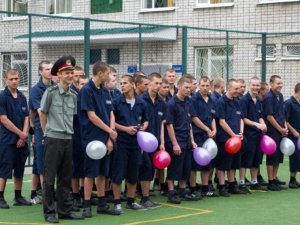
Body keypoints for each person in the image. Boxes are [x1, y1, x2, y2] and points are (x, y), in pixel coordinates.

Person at [40, 56, 84, 223]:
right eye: (66, 72)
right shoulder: (50, 92)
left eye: (71, 72)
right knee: (50, 178)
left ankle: (64, 210)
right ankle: (49, 212)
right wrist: (46, 133)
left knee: (66, 177)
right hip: (53, 138)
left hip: (68, 139)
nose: (70, 75)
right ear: (58, 75)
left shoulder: (73, 95)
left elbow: (71, 118)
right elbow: (42, 113)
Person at [79, 62, 120, 218]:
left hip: (106, 138)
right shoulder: (86, 91)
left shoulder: (105, 91)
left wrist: (110, 136)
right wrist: (110, 130)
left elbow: (111, 113)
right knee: (90, 173)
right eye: (108, 72)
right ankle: (87, 205)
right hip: (91, 139)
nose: (110, 76)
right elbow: (92, 116)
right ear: (100, 73)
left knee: (103, 172)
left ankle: (102, 204)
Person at [112, 74, 149, 213]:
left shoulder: (141, 103)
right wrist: (125, 129)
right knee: (118, 173)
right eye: (120, 83)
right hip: (121, 142)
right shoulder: (116, 102)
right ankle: (116, 203)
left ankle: (131, 201)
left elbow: (146, 120)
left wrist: (144, 126)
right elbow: (112, 123)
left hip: (136, 143)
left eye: (125, 83)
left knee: (133, 173)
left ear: (132, 84)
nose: (122, 85)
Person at [0, 69, 31, 209]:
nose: (14, 81)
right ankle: (0, 198)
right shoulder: (2, 97)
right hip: (7, 140)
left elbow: (26, 117)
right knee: (4, 169)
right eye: (11, 79)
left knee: (19, 169)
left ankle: (18, 197)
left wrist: (24, 136)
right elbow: (4, 120)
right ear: (5, 80)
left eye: (16, 78)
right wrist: (20, 134)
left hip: (22, 140)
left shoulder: (22, 96)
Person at [165, 77, 199, 204]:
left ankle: (183, 191)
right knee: (175, 167)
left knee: (186, 167)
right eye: (186, 87)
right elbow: (169, 125)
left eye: (190, 88)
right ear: (179, 86)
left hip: (187, 140)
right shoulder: (171, 103)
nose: (188, 90)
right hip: (176, 140)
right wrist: (174, 144)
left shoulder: (188, 101)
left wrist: (192, 140)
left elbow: (189, 123)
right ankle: (171, 193)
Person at [139, 72, 166, 209]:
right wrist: (141, 143)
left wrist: (161, 142)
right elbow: (140, 123)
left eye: (160, 83)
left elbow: (162, 124)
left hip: (155, 142)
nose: (159, 86)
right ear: (148, 83)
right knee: (145, 168)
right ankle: (144, 199)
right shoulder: (141, 100)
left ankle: (145, 197)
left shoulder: (161, 102)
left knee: (151, 169)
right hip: (143, 143)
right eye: (156, 83)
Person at [29, 60, 53, 204]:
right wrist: (36, 129)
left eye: (51, 69)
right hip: (42, 129)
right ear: (40, 72)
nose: (50, 71)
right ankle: (45, 195)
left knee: (52, 162)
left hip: (56, 128)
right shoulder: (35, 90)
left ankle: (46, 192)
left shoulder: (56, 87)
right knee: (42, 162)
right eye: (47, 69)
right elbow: (39, 111)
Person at [215, 79, 244, 197]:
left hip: (237, 139)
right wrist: (233, 135)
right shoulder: (221, 102)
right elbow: (221, 122)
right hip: (224, 139)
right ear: (229, 88)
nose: (238, 91)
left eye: (239, 88)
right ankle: (222, 187)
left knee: (234, 164)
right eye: (236, 89)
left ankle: (232, 185)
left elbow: (241, 118)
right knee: (223, 164)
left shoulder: (237, 101)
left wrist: (241, 132)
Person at [190, 76, 218, 197]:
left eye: (207, 86)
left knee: (207, 162)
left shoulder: (212, 99)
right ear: (198, 86)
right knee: (195, 162)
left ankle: (205, 188)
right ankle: (193, 188)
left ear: (210, 87)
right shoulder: (194, 99)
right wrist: (207, 129)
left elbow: (212, 117)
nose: (205, 88)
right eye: (203, 85)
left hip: (209, 136)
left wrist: (214, 129)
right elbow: (194, 118)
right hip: (197, 134)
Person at [239, 76, 268, 191]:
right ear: (249, 85)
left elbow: (260, 116)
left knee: (256, 159)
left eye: (257, 85)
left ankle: (254, 181)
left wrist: (263, 124)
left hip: (258, 135)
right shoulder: (244, 100)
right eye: (253, 85)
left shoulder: (259, 100)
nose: (255, 87)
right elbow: (243, 118)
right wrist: (257, 125)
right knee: (246, 159)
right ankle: (241, 182)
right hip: (248, 135)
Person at [262, 75, 288, 191]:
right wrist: (280, 129)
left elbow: (282, 114)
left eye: (281, 83)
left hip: (281, 130)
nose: (280, 85)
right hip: (272, 131)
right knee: (272, 156)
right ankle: (270, 181)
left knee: (278, 156)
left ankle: (275, 178)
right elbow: (269, 116)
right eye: (278, 83)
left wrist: (285, 127)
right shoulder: (268, 97)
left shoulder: (280, 96)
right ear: (271, 84)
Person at [70, 66, 87, 210]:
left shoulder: (89, 96)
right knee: (75, 168)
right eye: (76, 76)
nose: (77, 78)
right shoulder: (71, 95)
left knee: (85, 167)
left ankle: (84, 193)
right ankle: (75, 196)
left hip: (87, 136)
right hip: (74, 135)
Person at [285, 83, 300, 188]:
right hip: (292, 134)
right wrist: (293, 131)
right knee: (295, 157)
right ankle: (292, 179)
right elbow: (285, 120)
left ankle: (295, 179)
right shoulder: (289, 103)